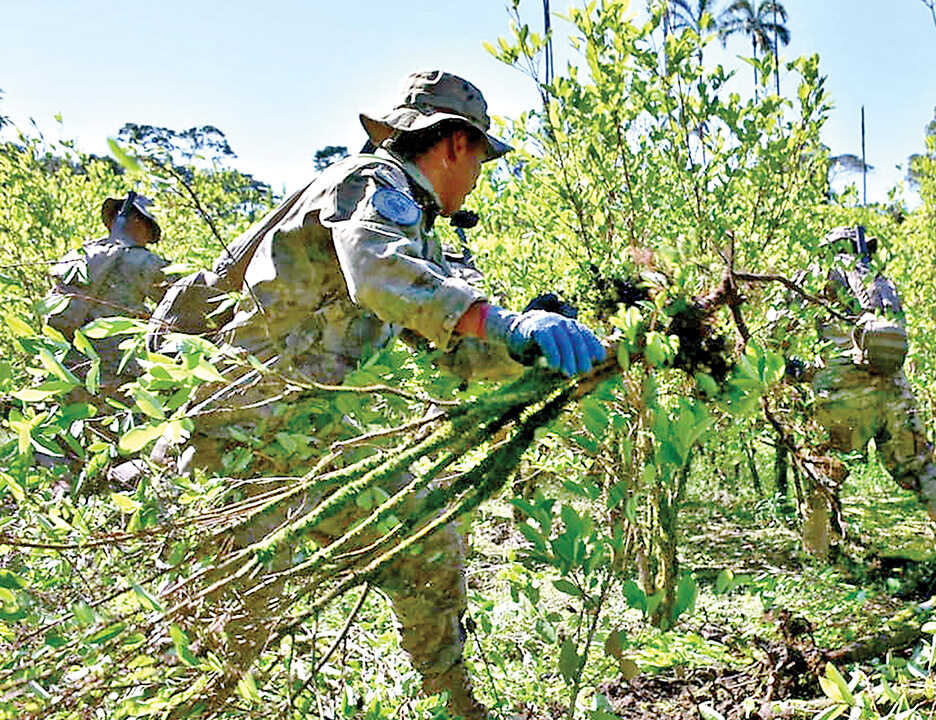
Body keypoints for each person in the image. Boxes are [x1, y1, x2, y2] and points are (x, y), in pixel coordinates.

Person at [164, 70, 605, 718]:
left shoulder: (415, 229)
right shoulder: (371, 182)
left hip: (310, 439)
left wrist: (527, 347)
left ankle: (450, 703)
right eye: (479, 158)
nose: (477, 177)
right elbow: (378, 274)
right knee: (228, 627)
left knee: (425, 537)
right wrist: (504, 321)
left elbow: (450, 349)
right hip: (242, 437)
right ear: (455, 143)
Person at [803, 226, 936, 558]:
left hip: (842, 387)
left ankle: (815, 553)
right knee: (921, 465)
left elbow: (780, 327)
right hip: (893, 386)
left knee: (823, 470)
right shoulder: (880, 279)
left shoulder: (818, 276)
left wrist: (797, 371)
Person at [45, 193, 168, 395]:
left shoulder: (79, 255)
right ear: (139, 223)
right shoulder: (142, 261)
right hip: (113, 374)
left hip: (65, 369)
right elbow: (188, 297)